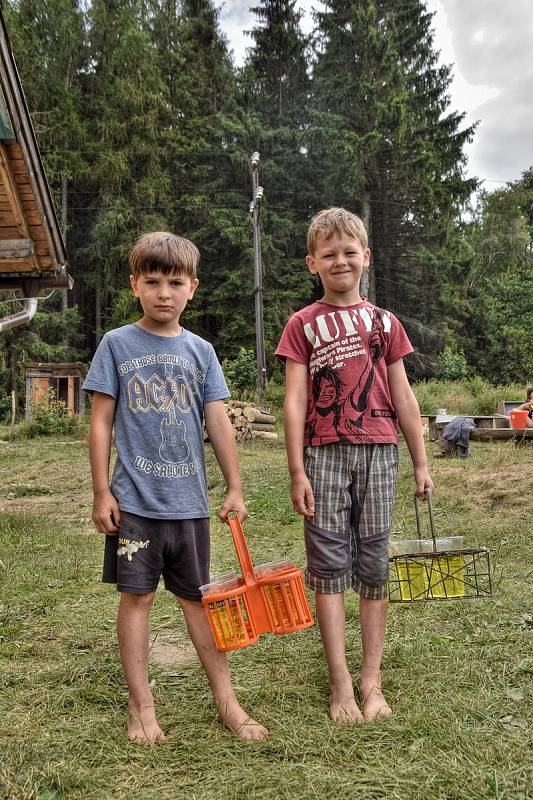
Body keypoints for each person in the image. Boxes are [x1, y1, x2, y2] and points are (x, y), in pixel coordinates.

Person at [83, 232, 267, 744]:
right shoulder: (117, 344)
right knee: (136, 600)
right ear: (134, 286)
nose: (164, 292)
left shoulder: (201, 351)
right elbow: (101, 423)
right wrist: (102, 492)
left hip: (189, 504)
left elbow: (218, 422)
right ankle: (141, 707)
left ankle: (227, 702)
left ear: (193, 288)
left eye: (175, 283)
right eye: (153, 282)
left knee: (198, 602)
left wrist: (234, 486)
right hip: (135, 504)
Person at [275, 208, 434, 724]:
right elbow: (294, 402)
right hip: (323, 454)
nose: (339, 261)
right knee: (328, 567)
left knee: (373, 566)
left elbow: (404, 397)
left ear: (366, 257)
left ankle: (372, 678)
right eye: (328, 254)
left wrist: (421, 463)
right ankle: (340, 681)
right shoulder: (303, 324)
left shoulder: (385, 323)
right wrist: (297, 469)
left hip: (380, 451)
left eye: (349, 252)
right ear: (311, 263)